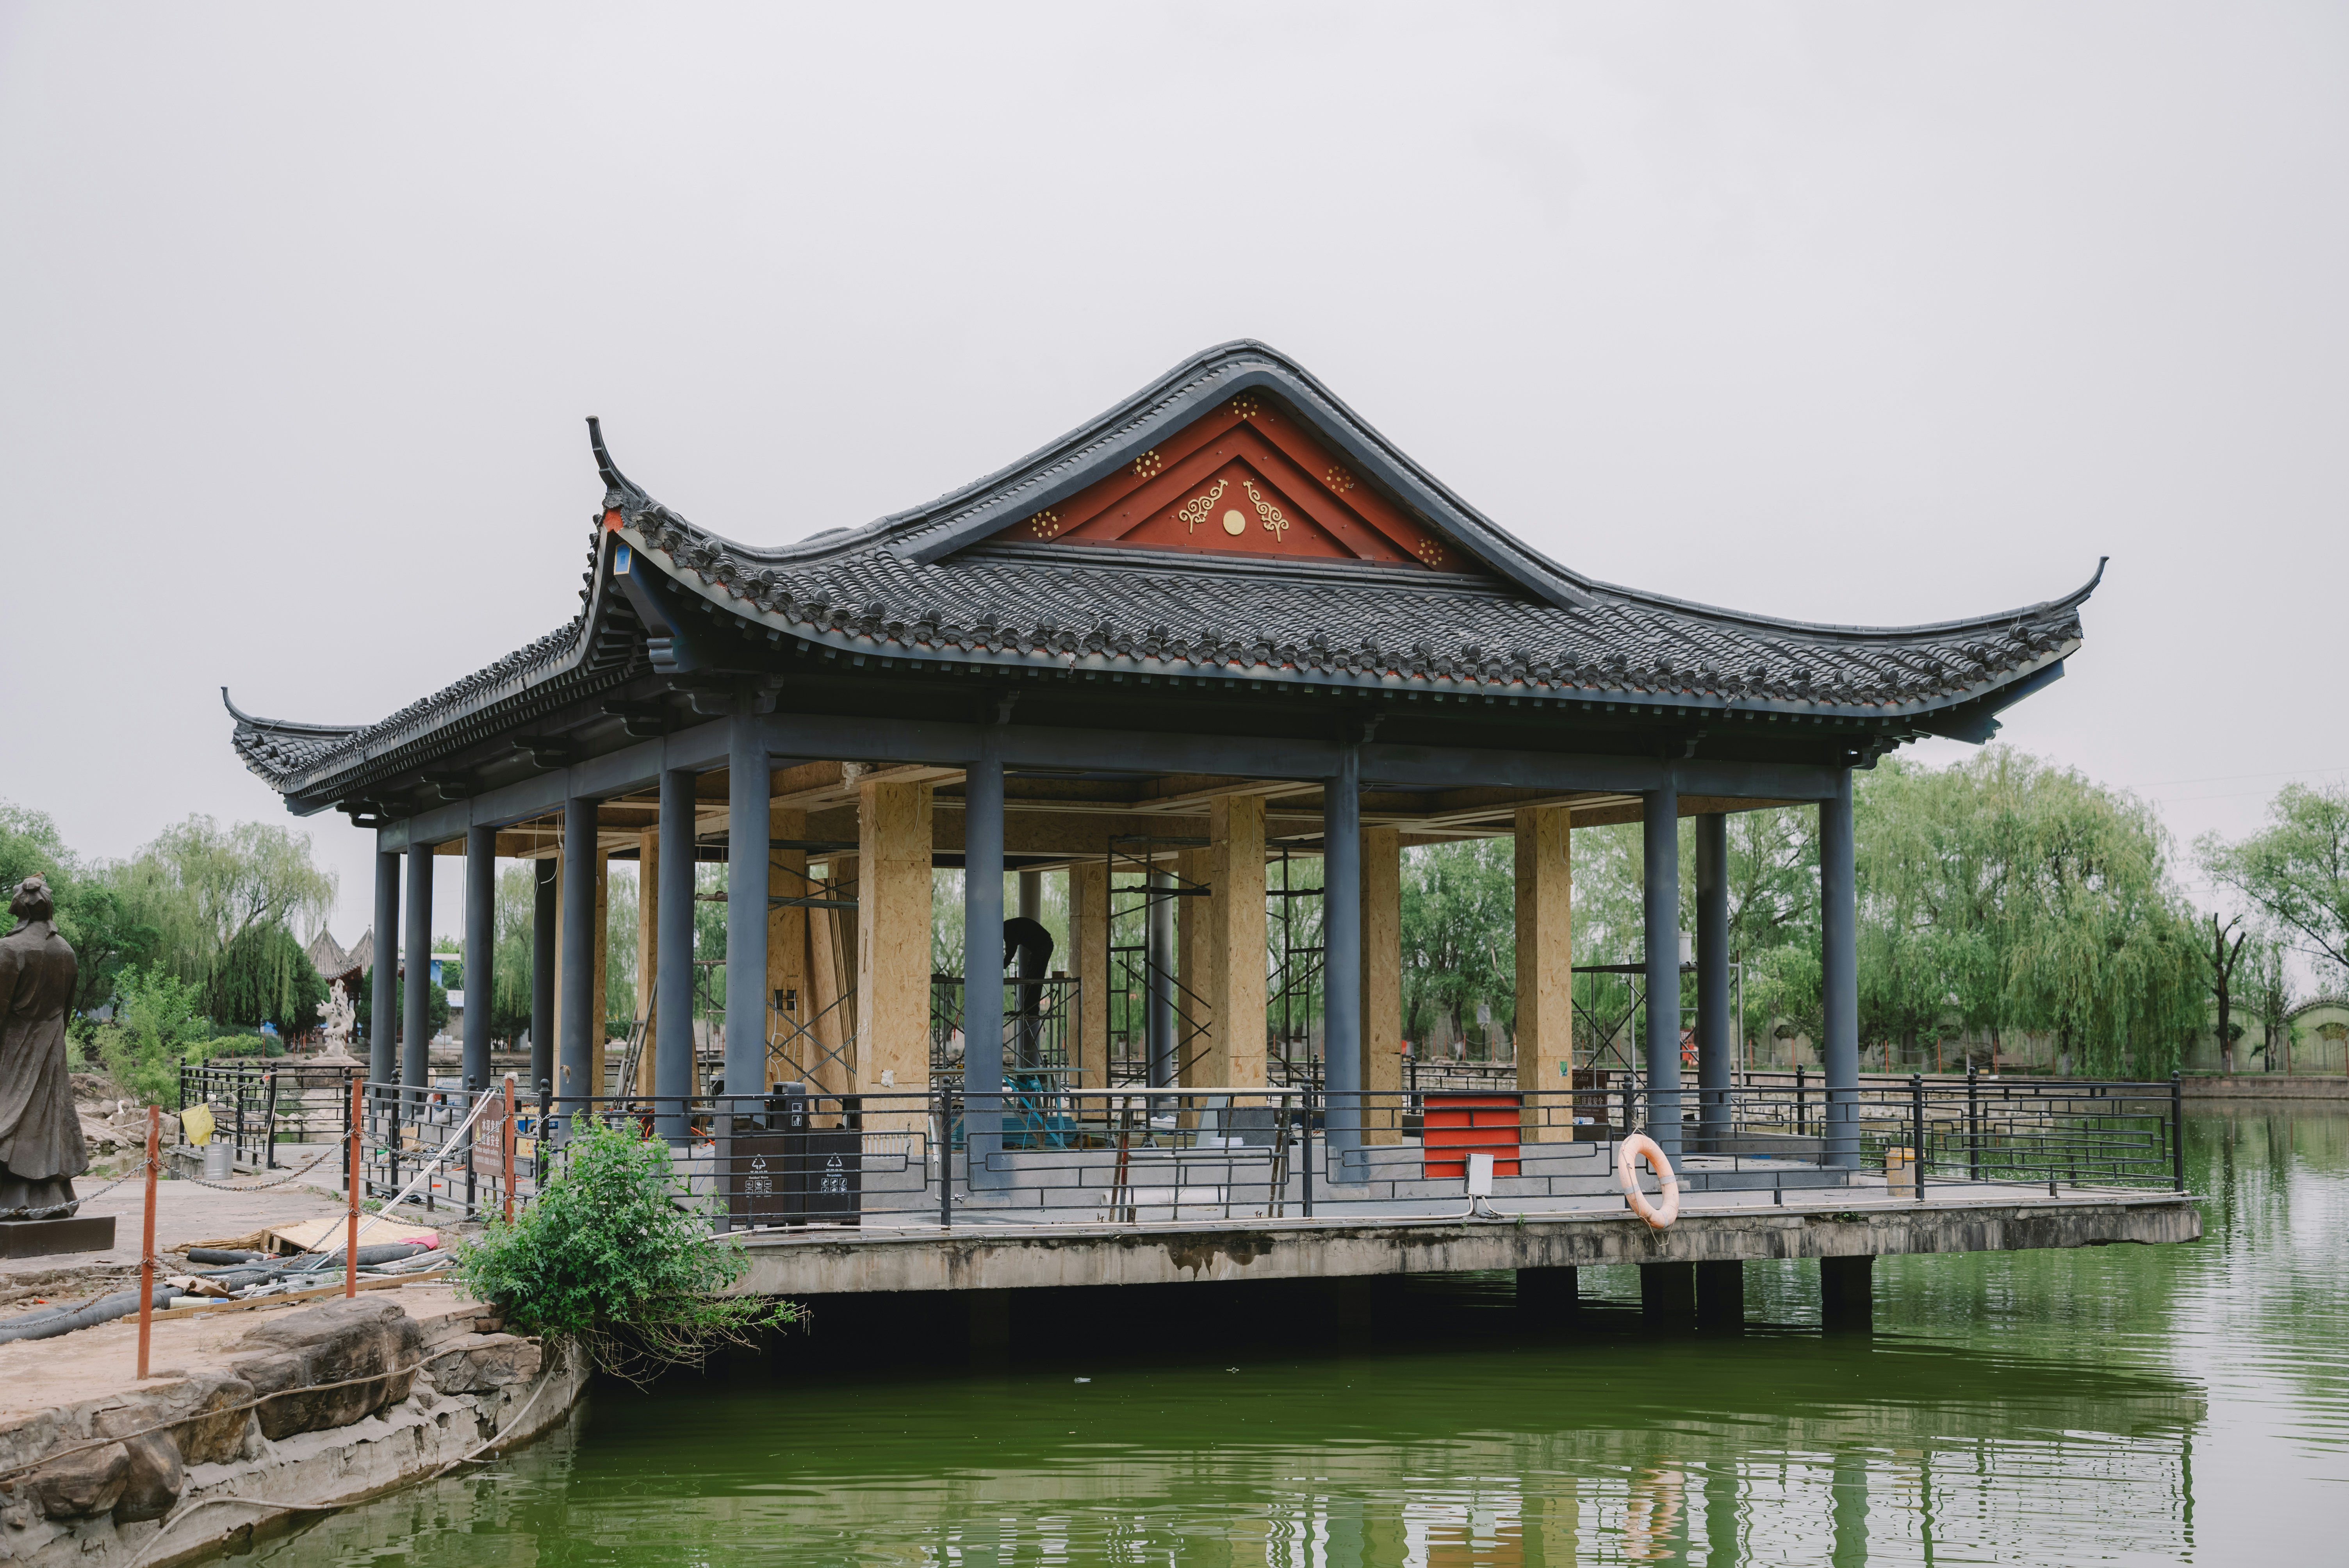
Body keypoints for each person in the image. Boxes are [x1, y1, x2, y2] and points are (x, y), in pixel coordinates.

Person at [0, 875, 85, 1221]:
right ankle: (51, 1194)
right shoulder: (66, 951)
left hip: (14, 1046)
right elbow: (66, 1011)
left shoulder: (9, 950)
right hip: (51, 1045)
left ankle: (14, 1194)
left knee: (12, 1111)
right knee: (47, 1118)